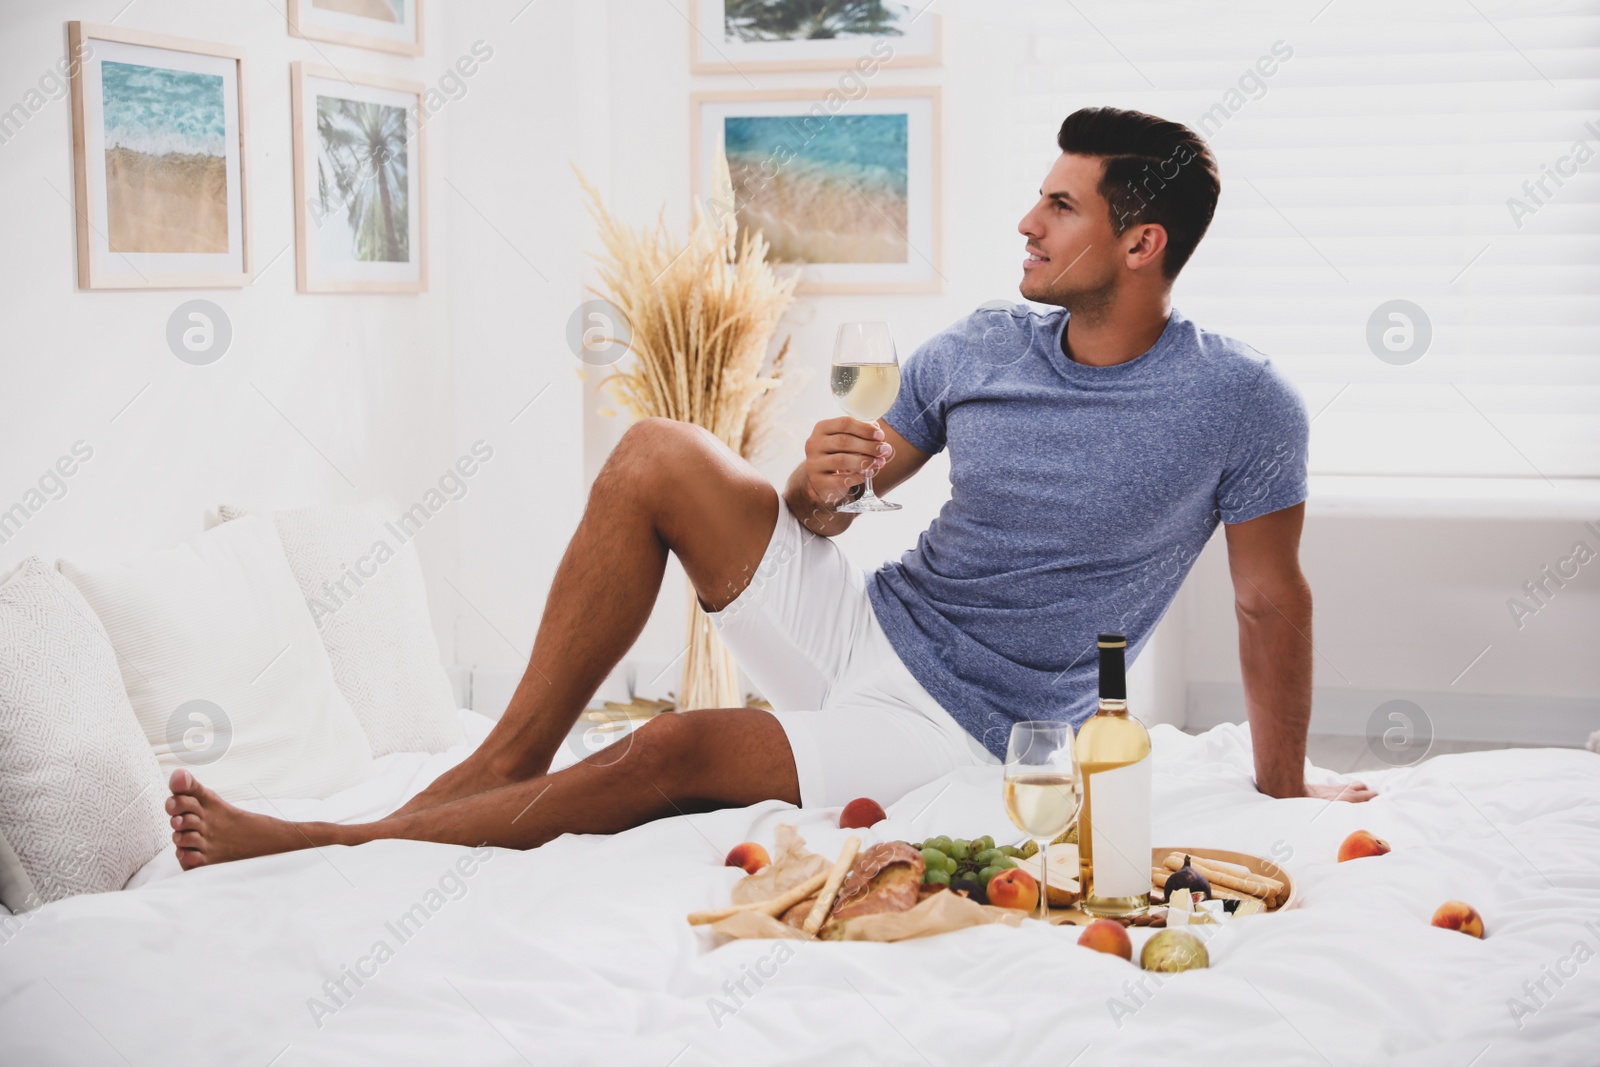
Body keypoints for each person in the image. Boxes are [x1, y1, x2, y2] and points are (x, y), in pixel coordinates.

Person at [166, 106, 1374, 869]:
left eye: (1060, 204)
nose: (1026, 219)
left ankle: (333, 839)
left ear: (1141, 241)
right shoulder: (980, 347)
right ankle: (501, 756)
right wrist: (815, 481)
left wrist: (1281, 784)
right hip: (869, 620)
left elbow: (1271, 602)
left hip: (961, 725)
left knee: (671, 749)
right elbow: (834, 501)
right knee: (654, 449)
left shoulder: (1241, 405)